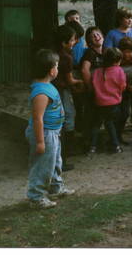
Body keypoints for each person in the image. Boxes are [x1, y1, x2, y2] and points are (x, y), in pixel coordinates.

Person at [26, 49, 74, 209]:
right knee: (43, 165)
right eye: (57, 66)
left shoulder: (47, 86)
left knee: (54, 161)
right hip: (45, 134)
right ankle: (36, 196)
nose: (58, 69)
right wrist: (40, 142)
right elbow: (37, 119)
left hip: (53, 133)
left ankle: (55, 187)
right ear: (52, 70)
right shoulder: (40, 92)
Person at [52, 25, 84, 171]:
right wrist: (81, 82)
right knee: (68, 119)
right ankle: (65, 155)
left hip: (50, 90)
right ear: (64, 43)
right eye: (71, 40)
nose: (74, 42)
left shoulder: (51, 54)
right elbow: (70, 80)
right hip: (61, 91)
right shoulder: (66, 57)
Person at [90, 48, 126, 154]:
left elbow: (93, 84)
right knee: (110, 123)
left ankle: (92, 147)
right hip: (113, 103)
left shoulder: (97, 71)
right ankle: (116, 145)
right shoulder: (119, 71)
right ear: (117, 61)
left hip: (99, 102)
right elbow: (122, 86)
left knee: (96, 124)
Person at [80, 27, 106, 150]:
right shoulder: (90, 53)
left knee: (100, 117)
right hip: (92, 91)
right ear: (89, 42)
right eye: (93, 36)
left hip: (103, 91)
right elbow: (85, 70)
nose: (96, 37)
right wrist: (90, 88)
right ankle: (88, 142)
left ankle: (94, 142)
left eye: (98, 34)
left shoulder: (106, 52)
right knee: (91, 116)